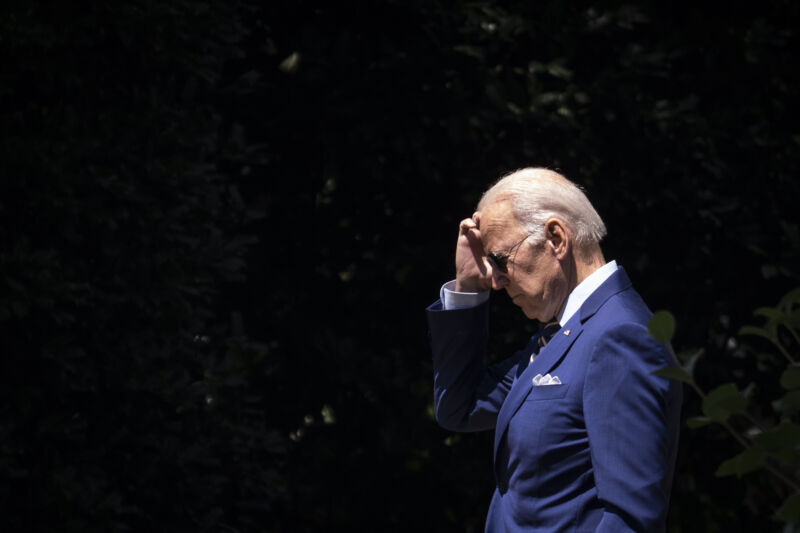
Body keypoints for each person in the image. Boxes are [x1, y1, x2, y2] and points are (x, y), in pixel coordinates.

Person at [426, 168, 682, 532]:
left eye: (499, 260)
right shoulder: (567, 331)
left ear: (556, 239)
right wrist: (468, 288)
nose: (495, 281)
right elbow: (459, 407)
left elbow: (630, 520)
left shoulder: (619, 337)